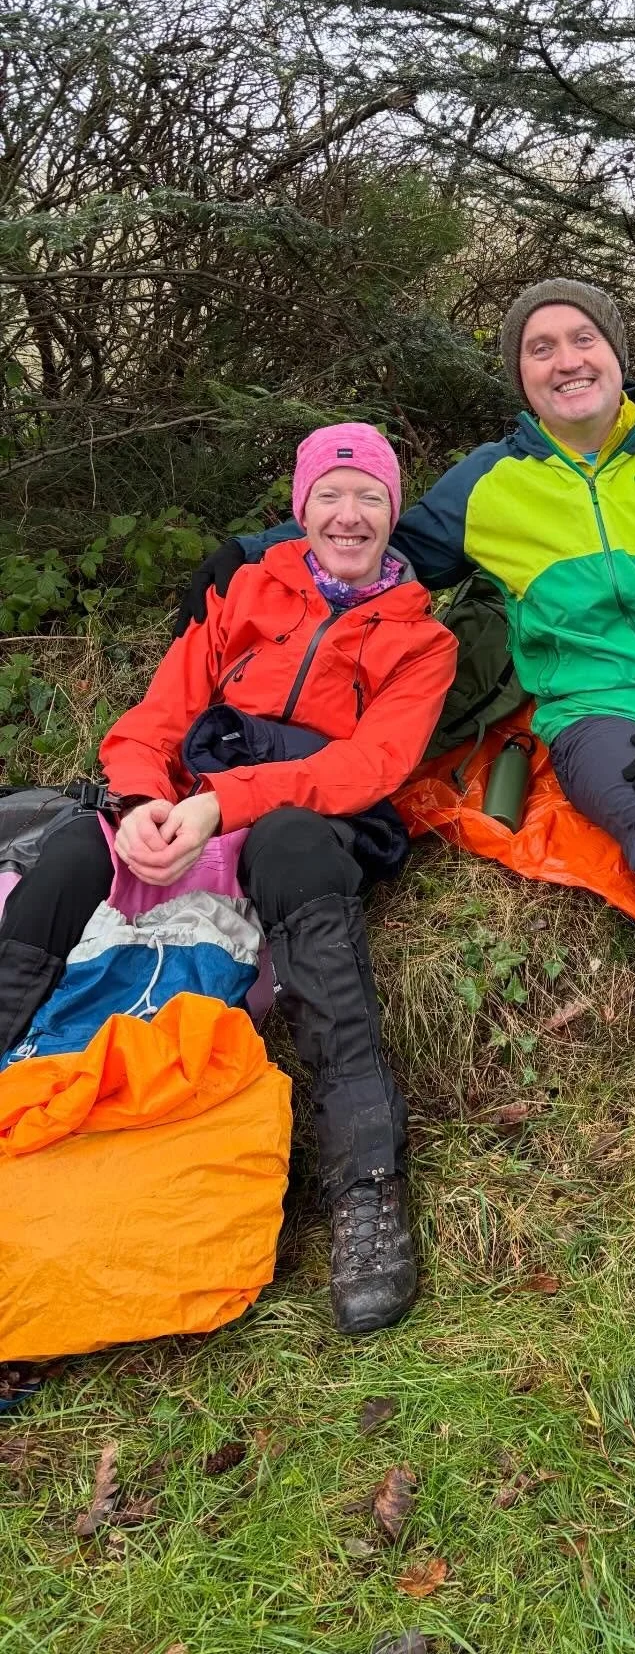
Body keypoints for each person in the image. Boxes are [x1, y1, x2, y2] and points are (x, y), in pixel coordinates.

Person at [175, 280, 635, 1207]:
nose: (566, 360)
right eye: (541, 347)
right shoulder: (491, 481)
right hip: (594, 712)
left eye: (582, 338)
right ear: (521, 377)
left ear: (617, 353)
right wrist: (259, 548)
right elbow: (374, 537)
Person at [0, 424, 458, 1336]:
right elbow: (155, 719)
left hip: (313, 819)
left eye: (370, 497)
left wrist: (224, 805)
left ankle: (367, 1184)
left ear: (394, 514)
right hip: (196, 804)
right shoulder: (246, 591)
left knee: (289, 844)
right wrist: (142, 803)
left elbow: (368, 765)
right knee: (78, 847)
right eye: (330, 495)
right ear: (301, 509)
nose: (349, 515)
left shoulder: (421, 640)